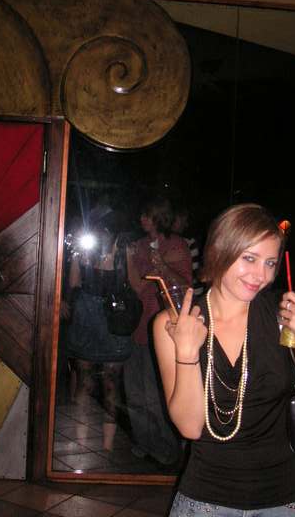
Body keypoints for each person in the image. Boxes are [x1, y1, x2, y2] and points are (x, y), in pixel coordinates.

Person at [153, 203, 295, 516]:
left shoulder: (285, 316)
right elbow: (190, 427)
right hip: (204, 501)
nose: (261, 275)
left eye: (270, 263)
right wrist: (187, 353)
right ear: (220, 251)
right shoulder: (174, 323)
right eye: (250, 258)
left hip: (284, 501)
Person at [124, 196, 192, 467]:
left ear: (159, 217)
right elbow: (138, 287)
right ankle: (145, 442)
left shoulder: (176, 244)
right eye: (141, 214)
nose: (142, 219)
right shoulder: (139, 245)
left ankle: (167, 448)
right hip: (139, 326)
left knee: (156, 394)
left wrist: (161, 265)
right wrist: (129, 258)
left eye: (147, 214)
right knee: (135, 392)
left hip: (165, 329)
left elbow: (185, 286)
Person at [65, 206, 135, 451]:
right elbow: (134, 286)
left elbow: (74, 284)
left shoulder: (120, 251)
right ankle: (104, 446)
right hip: (100, 321)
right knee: (107, 385)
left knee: (90, 384)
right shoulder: (120, 250)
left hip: (100, 322)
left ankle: (87, 443)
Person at [171, 204, 205, 298]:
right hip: (176, 293)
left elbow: (194, 272)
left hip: (192, 293)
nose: (185, 224)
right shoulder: (162, 242)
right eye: (183, 220)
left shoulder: (189, 242)